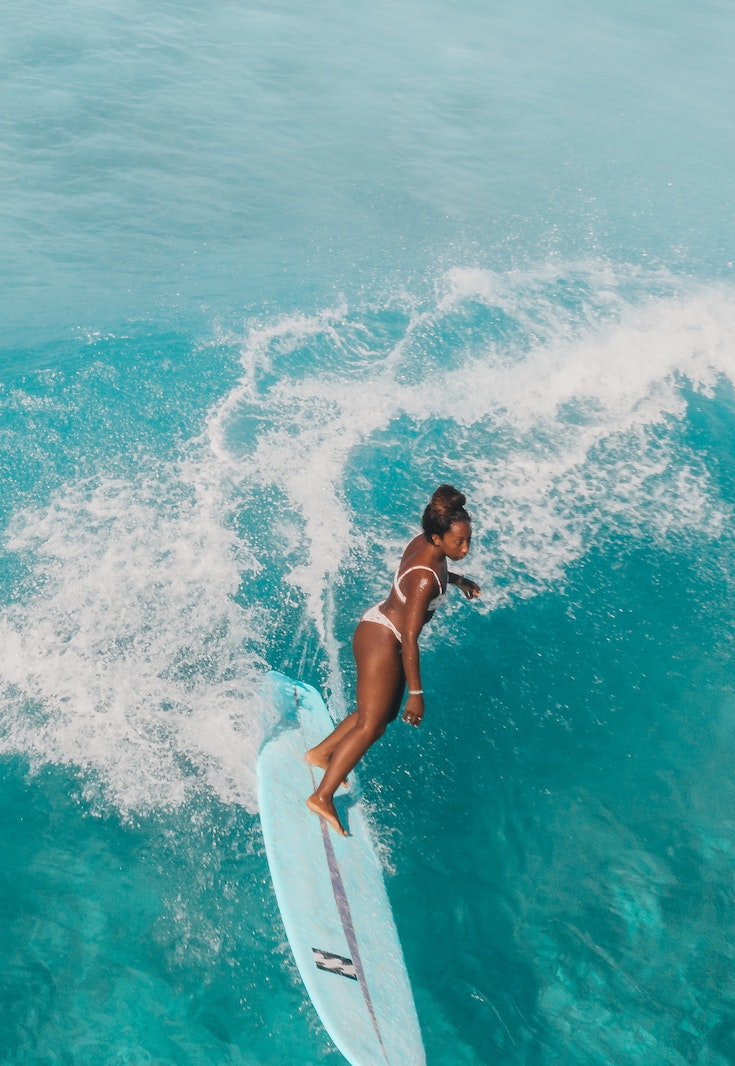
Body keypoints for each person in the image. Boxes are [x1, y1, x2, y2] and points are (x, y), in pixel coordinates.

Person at [306, 484, 481, 835]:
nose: (465, 548)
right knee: (372, 725)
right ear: (437, 537)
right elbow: (412, 636)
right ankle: (322, 796)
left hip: (380, 629)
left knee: (378, 714)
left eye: (468, 541)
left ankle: (322, 754)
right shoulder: (423, 580)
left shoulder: (426, 548)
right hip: (384, 641)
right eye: (459, 542)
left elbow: (439, 573)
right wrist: (416, 694)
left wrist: (459, 581)